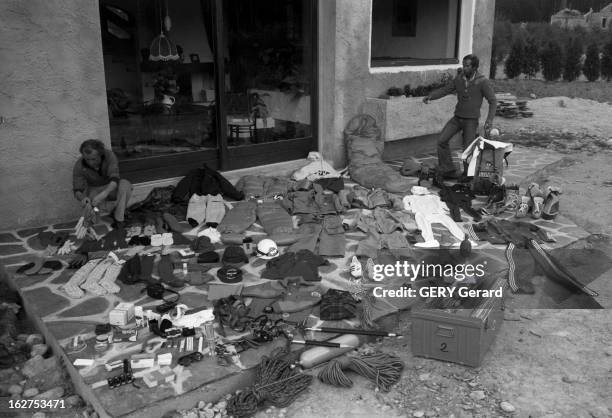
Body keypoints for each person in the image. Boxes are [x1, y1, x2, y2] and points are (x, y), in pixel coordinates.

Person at [423, 54, 497, 178]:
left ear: (474, 67)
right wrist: (431, 96)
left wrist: (489, 120)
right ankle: (447, 170)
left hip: (471, 121)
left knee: (467, 150)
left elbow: (493, 101)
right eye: (463, 65)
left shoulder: (482, 82)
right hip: (457, 118)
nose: (464, 68)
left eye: (467, 66)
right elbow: (445, 90)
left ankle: (468, 176)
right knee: (442, 141)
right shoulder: (459, 79)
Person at [73, 139, 132, 229]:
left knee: (125, 185)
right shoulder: (79, 165)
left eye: (94, 159)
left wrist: (104, 194)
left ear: (100, 154)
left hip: (111, 187)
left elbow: (115, 178)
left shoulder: (109, 156)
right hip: (94, 188)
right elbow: (77, 190)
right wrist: (83, 198)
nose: (90, 162)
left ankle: (119, 218)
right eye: (87, 159)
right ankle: (94, 219)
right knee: (93, 217)